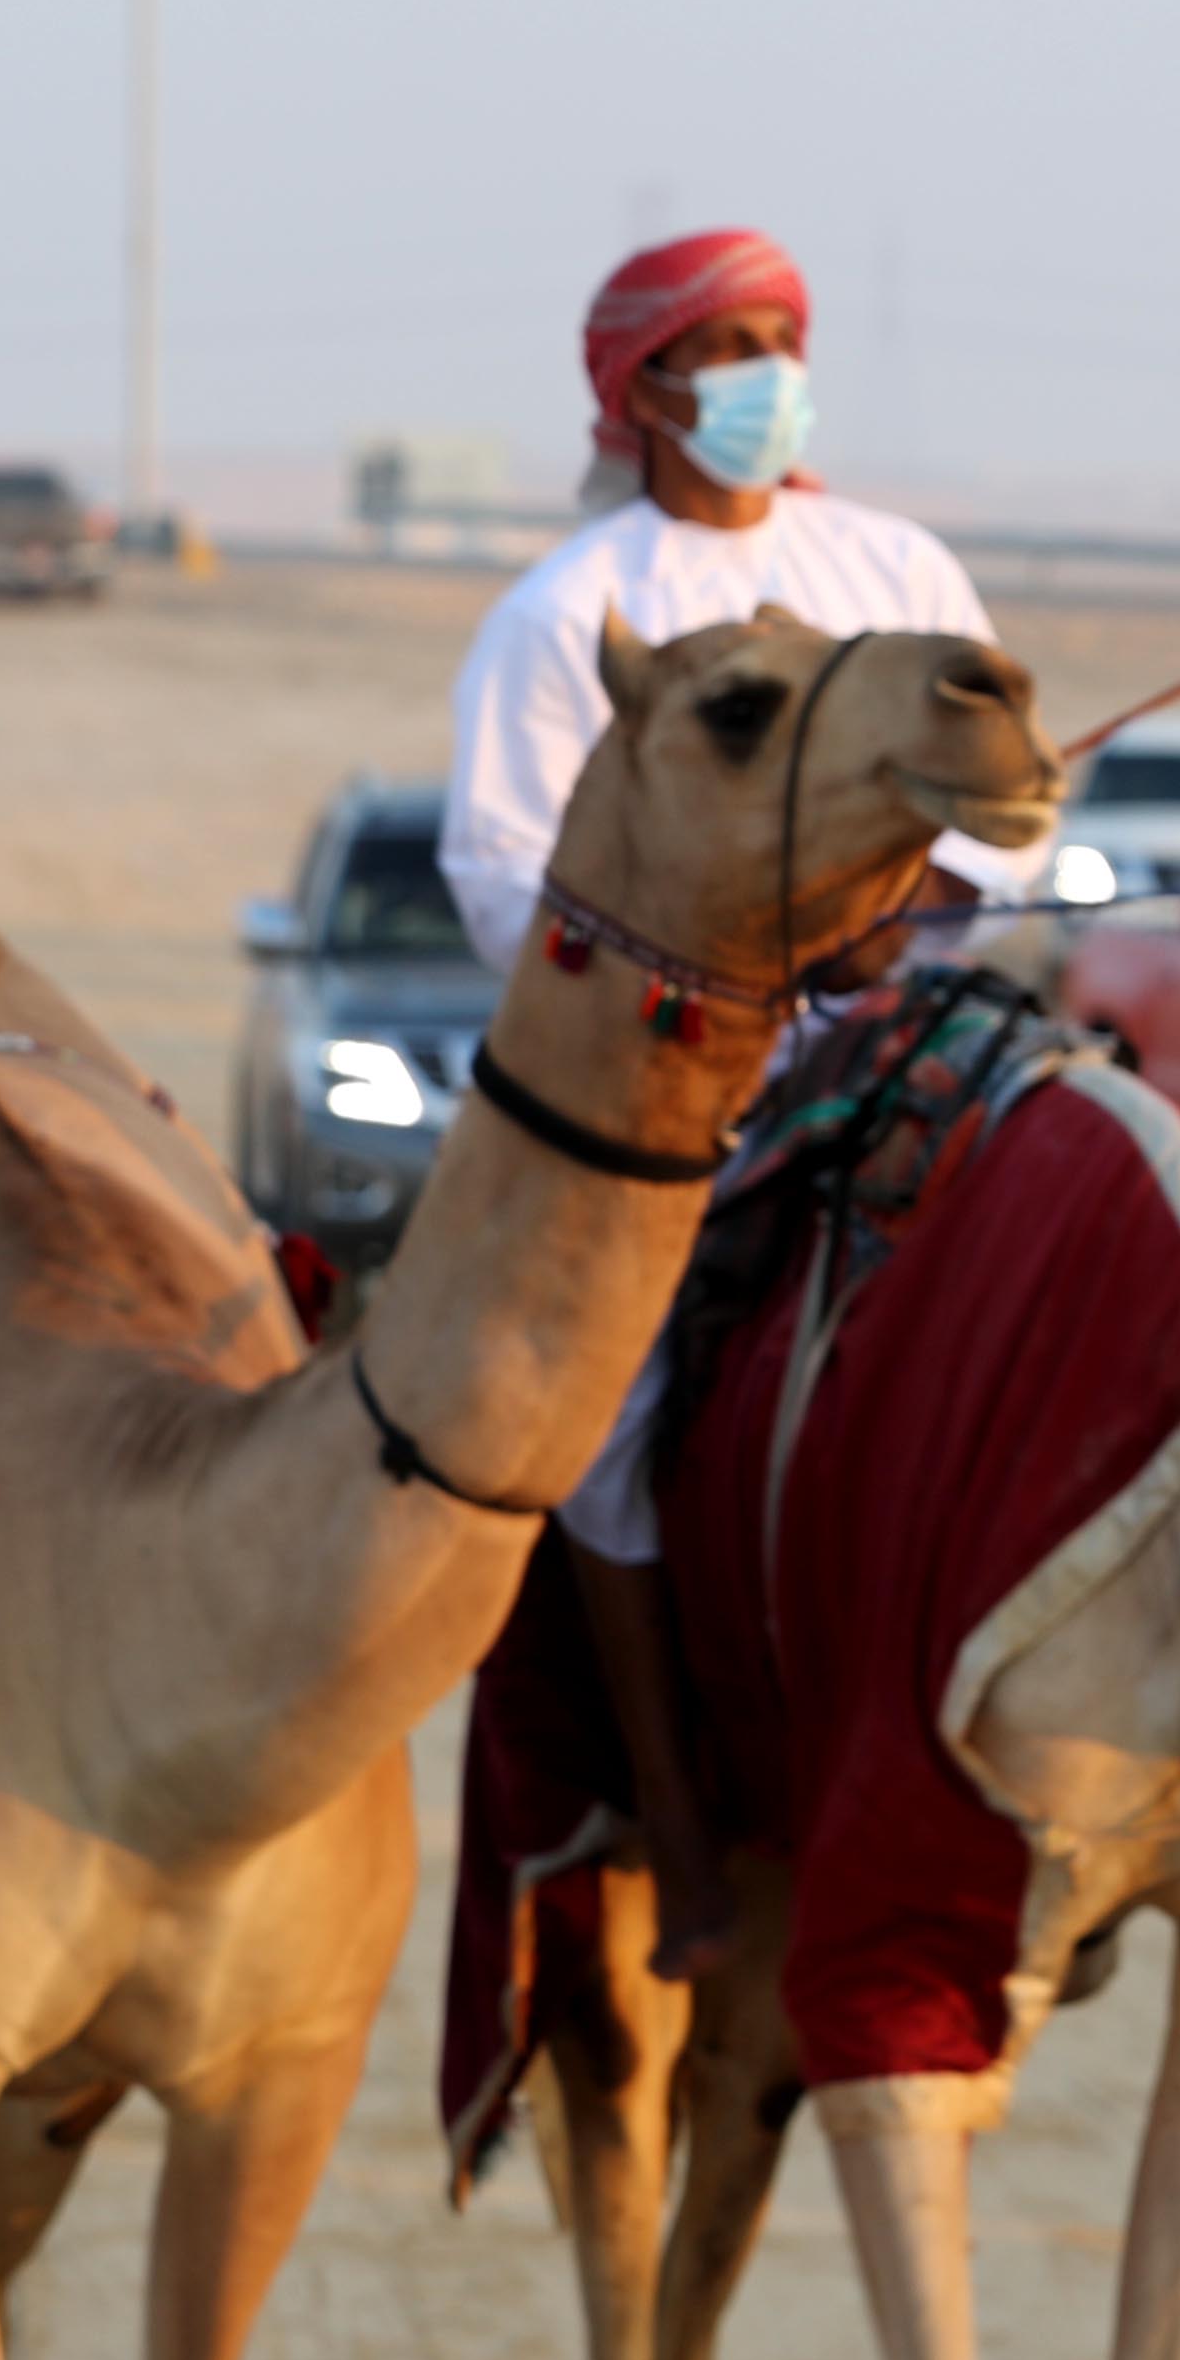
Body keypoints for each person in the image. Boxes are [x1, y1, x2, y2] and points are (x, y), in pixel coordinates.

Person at [440, 227, 1040, 1969]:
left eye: (786, 337)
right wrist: (739, 973)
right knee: (603, 1421)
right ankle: (678, 1840)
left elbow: (1020, 814)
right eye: (735, 346)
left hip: (915, 1049)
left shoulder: (894, 567)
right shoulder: (572, 614)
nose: (773, 376)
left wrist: (930, 907)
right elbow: (502, 877)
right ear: (646, 390)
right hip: (681, 1087)